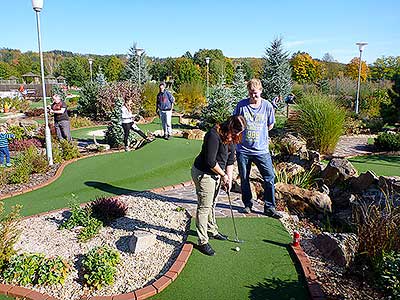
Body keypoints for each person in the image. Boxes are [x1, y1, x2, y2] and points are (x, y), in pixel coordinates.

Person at [191, 115, 246, 256]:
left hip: (217, 173)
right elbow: (210, 161)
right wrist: (223, 175)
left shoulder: (232, 137)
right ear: (229, 126)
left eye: (239, 133)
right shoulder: (213, 135)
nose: (236, 135)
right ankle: (202, 241)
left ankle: (212, 230)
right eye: (235, 132)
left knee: (212, 203)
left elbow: (230, 160)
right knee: (204, 207)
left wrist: (229, 179)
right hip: (203, 173)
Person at [233, 78, 283, 219]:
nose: (253, 96)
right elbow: (235, 123)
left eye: (255, 93)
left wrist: (260, 133)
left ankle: (269, 207)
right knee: (244, 177)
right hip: (243, 150)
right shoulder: (241, 105)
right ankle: (247, 204)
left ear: (260, 91)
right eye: (250, 93)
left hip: (261, 150)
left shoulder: (267, 106)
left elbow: (270, 124)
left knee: (269, 177)